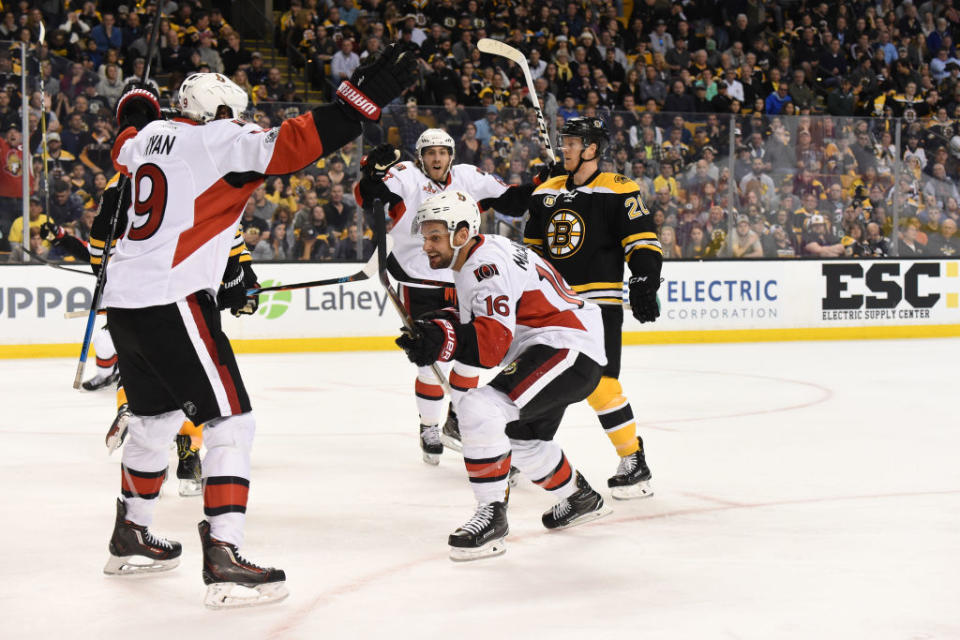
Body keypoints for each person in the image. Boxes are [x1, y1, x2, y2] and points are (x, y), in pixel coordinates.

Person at [99, 46, 415, 608]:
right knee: (231, 421)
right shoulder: (218, 140)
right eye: (234, 114)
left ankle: (131, 534)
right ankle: (223, 553)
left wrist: (135, 104)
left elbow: (126, 135)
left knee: (153, 418)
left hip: (124, 301)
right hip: (174, 299)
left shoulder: (143, 143)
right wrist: (354, 105)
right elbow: (293, 145)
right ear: (218, 112)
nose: (240, 123)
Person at [396, 190, 611, 560]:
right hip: (559, 346)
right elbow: (477, 319)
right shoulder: (478, 255)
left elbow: (491, 345)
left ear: (461, 233)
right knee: (518, 438)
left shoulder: (484, 265)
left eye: (434, 237)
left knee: (479, 408)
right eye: (425, 236)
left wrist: (441, 340)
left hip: (565, 346)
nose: (426, 246)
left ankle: (491, 519)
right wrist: (435, 330)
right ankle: (579, 497)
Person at [354, 128, 546, 464]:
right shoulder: (406, 176)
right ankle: (429, 425)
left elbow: (514, 202)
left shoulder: (470, 177)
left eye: (442, 152)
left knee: (469, 354)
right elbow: (369, 197)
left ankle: (457, 421)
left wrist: (546, 180)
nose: (437, 158)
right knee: (431, 362)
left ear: (451, 155)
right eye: (430, 153)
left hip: (465, 278)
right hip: (419, 280)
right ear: (420, 157)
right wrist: (371, 171)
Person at [520, 117, 662, 500]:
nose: (563, 147)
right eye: (563, 141)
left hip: (597, 305)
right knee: (543, 377)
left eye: (571, 142)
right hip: (552, 308)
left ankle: (633, 459)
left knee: (600, 382)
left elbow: (642, 240)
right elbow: (531, 253)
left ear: (592, 149)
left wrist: (645, 279)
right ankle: (529, 448)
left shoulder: (618, 188)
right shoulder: (545, 191)